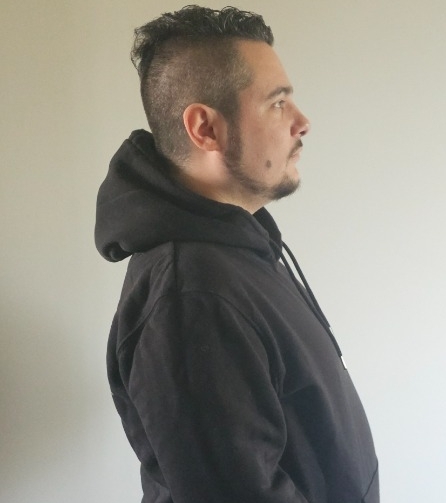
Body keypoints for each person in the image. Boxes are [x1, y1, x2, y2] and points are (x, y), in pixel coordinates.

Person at [95, 5, 379, 503]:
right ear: (205, 128)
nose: (302, 122)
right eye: (277, 103)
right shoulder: (191, 297)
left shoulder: (235, 249)